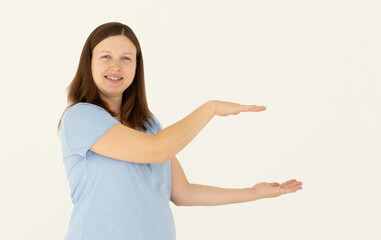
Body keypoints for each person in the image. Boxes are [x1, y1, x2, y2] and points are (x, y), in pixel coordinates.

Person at [58, 22, 303, 240]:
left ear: (136, 67)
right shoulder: (81, 117)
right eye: (105, 57)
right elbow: (156, 151)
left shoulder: (148, 124)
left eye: (126, 58)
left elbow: (182, 192)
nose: (116, 66)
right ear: (88, 62)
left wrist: (253, 192)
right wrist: (210, 109)